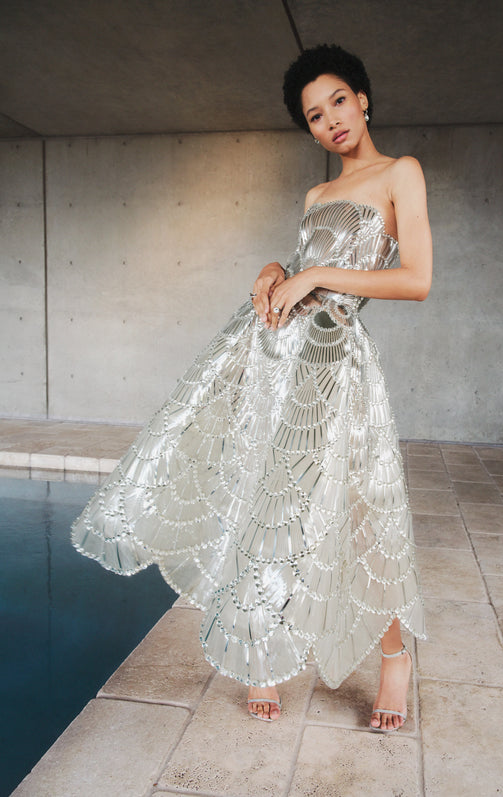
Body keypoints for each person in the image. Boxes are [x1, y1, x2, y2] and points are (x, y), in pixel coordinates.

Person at [72, 44, 432, 733]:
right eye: (313, 115)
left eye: (337, 102)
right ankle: (259, 645)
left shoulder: (400, 173)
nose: (329, 120)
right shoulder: (317, 195)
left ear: (363, 100)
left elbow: (414, 278)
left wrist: (317, 278)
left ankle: (394, 658)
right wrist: (277, 267)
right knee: (268, 499)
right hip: (273, 352)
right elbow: (300, 263)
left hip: (335, 359)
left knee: (361, 512)